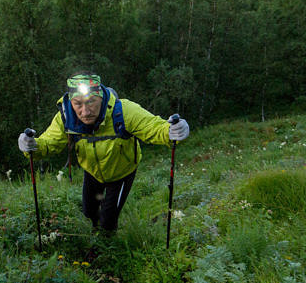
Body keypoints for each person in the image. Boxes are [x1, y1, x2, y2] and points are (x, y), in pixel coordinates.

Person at [18, 73, 189, 233]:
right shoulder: (66, 117)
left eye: (91, 102)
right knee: (89, 212)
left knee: (108, 219)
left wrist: (172, 131)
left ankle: (108, 246)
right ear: (71, 102)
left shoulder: (123, 110)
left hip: (122, 173)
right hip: (92, 172)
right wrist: (32, 145)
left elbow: (154, 127)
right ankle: (93, 239)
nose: (85, 112)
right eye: (78, 104)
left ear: (101, 97)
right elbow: (49, 143)